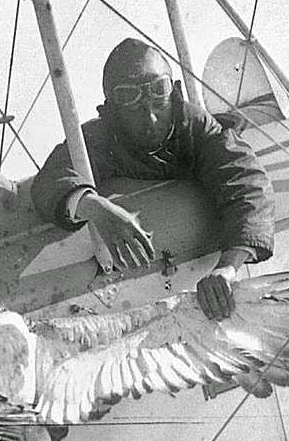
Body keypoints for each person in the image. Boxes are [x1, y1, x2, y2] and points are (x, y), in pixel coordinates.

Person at [31, 38, 275, 319]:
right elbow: (52, 179)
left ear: (174, 92)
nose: (150, 116)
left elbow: (247, 182)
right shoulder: (97, 138)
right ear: (111, 107)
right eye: (131, 101)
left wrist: (228, 266)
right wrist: (97, 208)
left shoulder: (196, 125)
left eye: (158, 93)